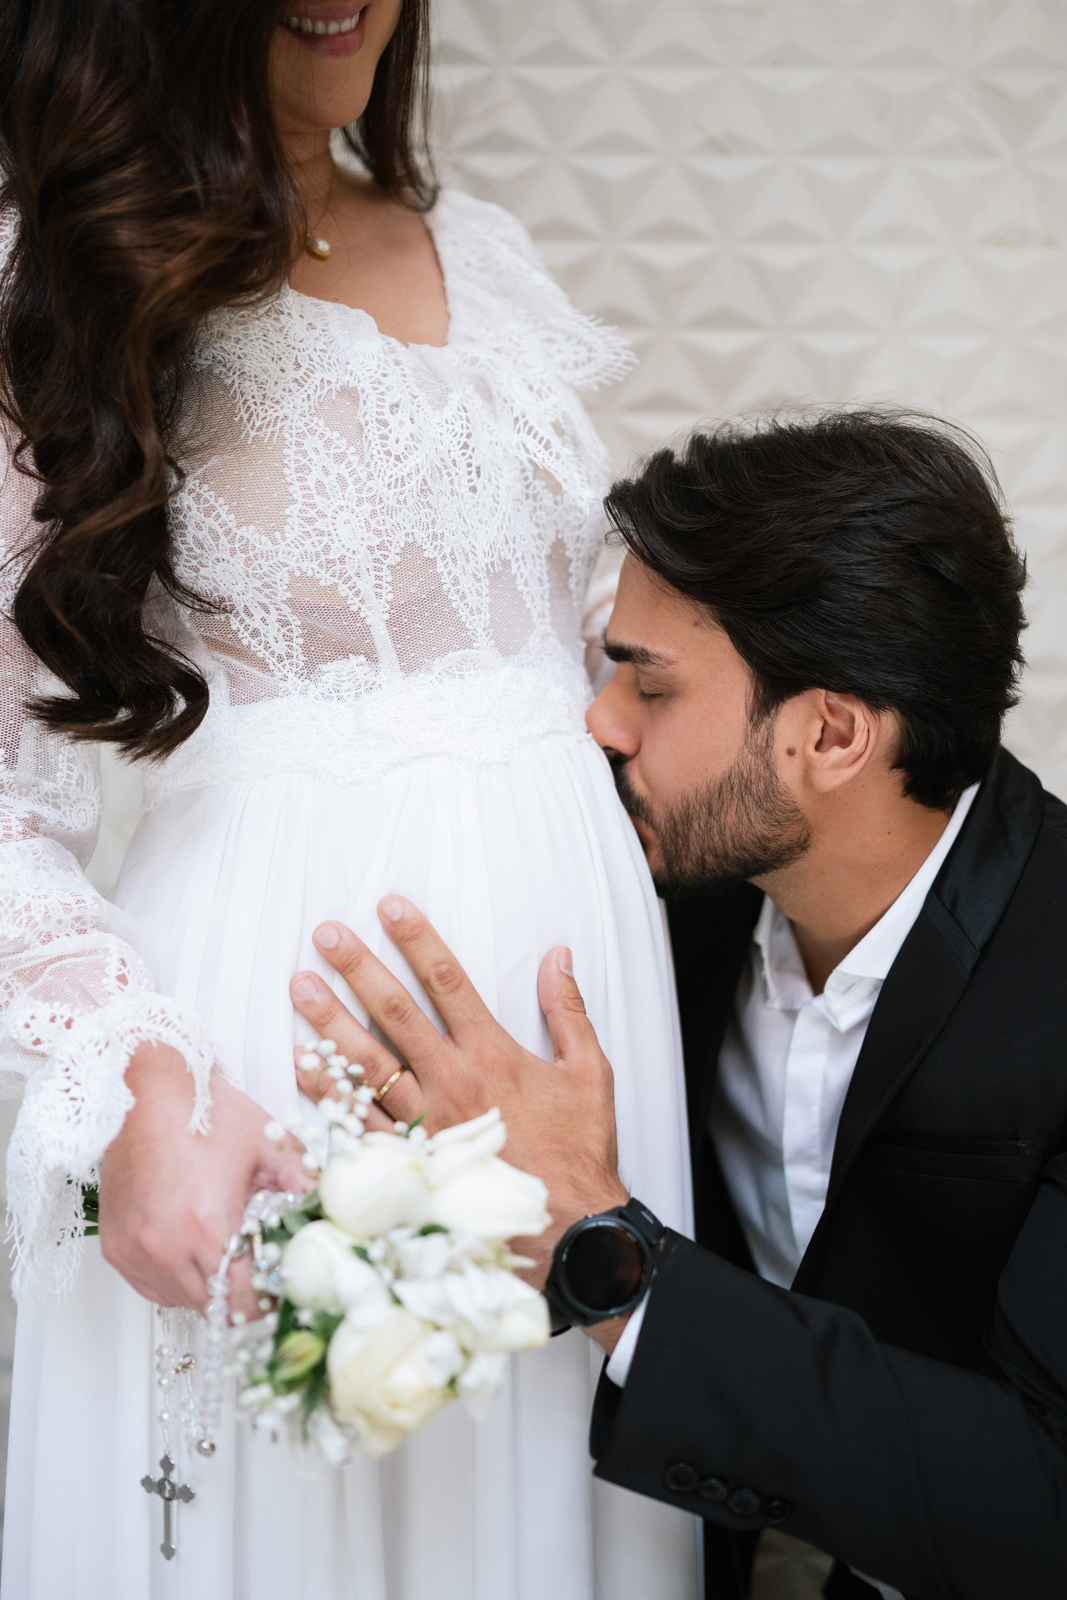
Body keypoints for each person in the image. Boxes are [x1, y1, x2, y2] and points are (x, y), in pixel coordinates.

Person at [0, 4, 697, 1596]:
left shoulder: (487, 252)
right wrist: (139, 1091)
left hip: (578, 1070)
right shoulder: (59, 279)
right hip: (266, 1064)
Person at [294, 412, 1067, 1600]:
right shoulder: (664, 910)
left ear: (830, 733)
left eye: (648, 685)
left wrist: (604, 1253)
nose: (598, 720)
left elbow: (1043, 1505)